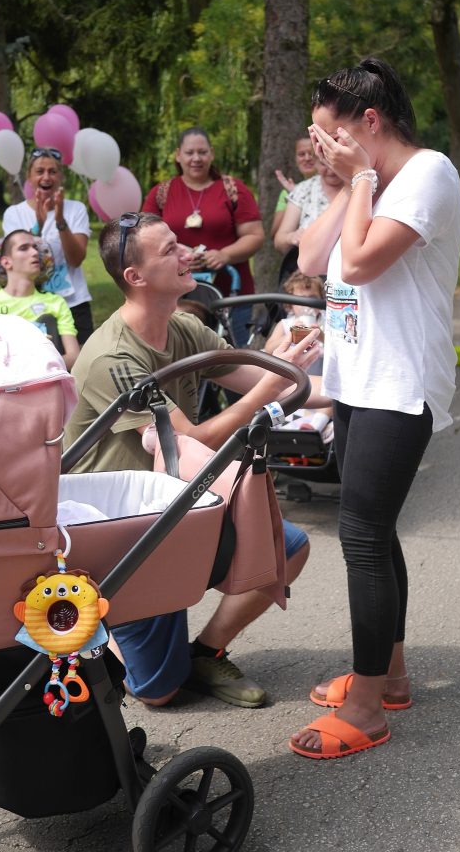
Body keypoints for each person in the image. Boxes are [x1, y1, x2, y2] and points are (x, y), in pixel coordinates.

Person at [64, 211, 330, 709]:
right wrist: (275, 388)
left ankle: (206, 652)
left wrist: (354, 396)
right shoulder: (111, 359)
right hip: (121, 535)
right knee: (159, 693)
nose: (186, 251)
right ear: (135, 278)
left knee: (287, 549)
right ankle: (92, 622)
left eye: (178, 241)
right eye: (168, 249)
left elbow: (264, 381)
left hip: (175, 506)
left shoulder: (183, 328)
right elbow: (189, 443)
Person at [288, 57, 460, 760]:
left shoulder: (426, 174)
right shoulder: (367, 182)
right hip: (357, 381)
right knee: (374, 531)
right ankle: (388, 675)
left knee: (359, 534)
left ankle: (366, 706)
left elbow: (359, 263)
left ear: (368, 123)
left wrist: (359, 177)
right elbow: (310, 253)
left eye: (328, 135)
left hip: (400, 384)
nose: (317, 147)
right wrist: (346, 181)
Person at [142, 128, 264, 347]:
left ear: (212, 154)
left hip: (231, 294)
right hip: (176, 296)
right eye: (189, 153)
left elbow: (254, 236)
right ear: (178, 155)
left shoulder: (233, 189)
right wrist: (178, 253)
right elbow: (144, 238)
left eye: (202, 152)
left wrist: (224, 255)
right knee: (180, 354)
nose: (196, 158)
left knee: (233, 356)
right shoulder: (161, 193)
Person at [2, 147, 93, 343]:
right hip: (30, 304)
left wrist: (60, 220)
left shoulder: (75, 209)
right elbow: (17, 264)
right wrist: (38, 228)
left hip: (74, 303)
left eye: (53, 171)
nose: (46, 177)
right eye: (40, 171)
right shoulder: (14, 214)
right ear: (29, 177)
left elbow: (76, 260)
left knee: (80, 368)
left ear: (61, 176)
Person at [0, 230, 80, 370]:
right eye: (24, 248)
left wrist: (36, 369)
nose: (34, 253)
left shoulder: (56, 302)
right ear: (6, 262)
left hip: (46, 382)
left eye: (35, 248)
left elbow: (74, 357)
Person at [263, 271, 332, 441]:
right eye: (300, 299)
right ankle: (277, 429)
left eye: (312, 298)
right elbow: (269, 347)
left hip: (322, 382)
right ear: (290, 304)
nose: (306, 305)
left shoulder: (327, 321)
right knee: (277, 399)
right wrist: (290, 334)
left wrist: (320, 334)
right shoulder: (286, 324)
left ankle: (315, 428)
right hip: (292, 383)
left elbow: (335, 346)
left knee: (332, 397)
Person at [274, 147, 343, 257]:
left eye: (336, 164)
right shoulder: (303, 190)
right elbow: (279, 240)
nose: (331, 170)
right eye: (324, 164)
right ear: (315, 162)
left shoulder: (360, 186)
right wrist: (291, 237)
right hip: (311, 270)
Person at [271, 134, 323, 238]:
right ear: (295, 159)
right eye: (301, 154)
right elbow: (275, 233)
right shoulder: (289, 192)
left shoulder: (333, 186)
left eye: (311, 153)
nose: (307, 158)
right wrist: (295, 197)